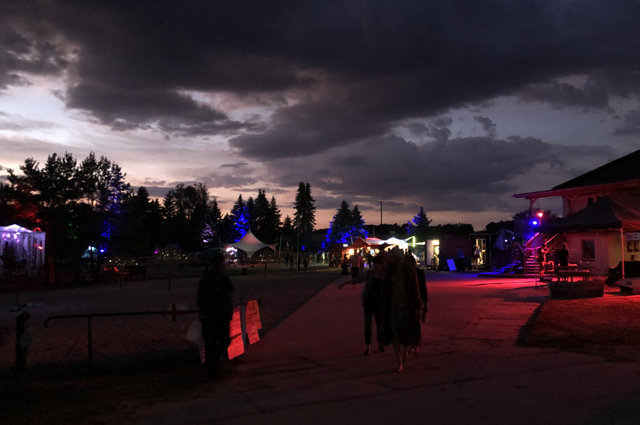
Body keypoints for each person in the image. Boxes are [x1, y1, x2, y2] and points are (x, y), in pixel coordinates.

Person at [381, 249, 422, 372]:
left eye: (391, 257)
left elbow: (415, 290)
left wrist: (417, 307)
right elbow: (386, 290)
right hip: (393, 306)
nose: (389, 259)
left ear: (397, 258)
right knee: (395, 334)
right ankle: (399, 360)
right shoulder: (390, 271)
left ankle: (403, 356)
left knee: (405, 334)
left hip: (406, 306)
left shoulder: (409, 271)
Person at [338, 254, 387, 356]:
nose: (376, 266)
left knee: (380, 324)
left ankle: (380, 343)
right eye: (375, 263)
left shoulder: (384, 275)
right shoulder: (370, 273)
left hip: (379, 302)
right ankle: (368, 346)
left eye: (378, 264)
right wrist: (345, 283)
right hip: (369, 301)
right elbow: (358, 279)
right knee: (368, 325)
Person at [197, 251, 234, 379]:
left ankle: (212, 368)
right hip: (218, 314)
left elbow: (200, 297)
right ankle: (213, 366)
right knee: (222, 340)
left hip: (210, 314)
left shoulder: (206, 278)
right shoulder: (220, 278)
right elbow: (228, 293)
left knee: (211, 343)